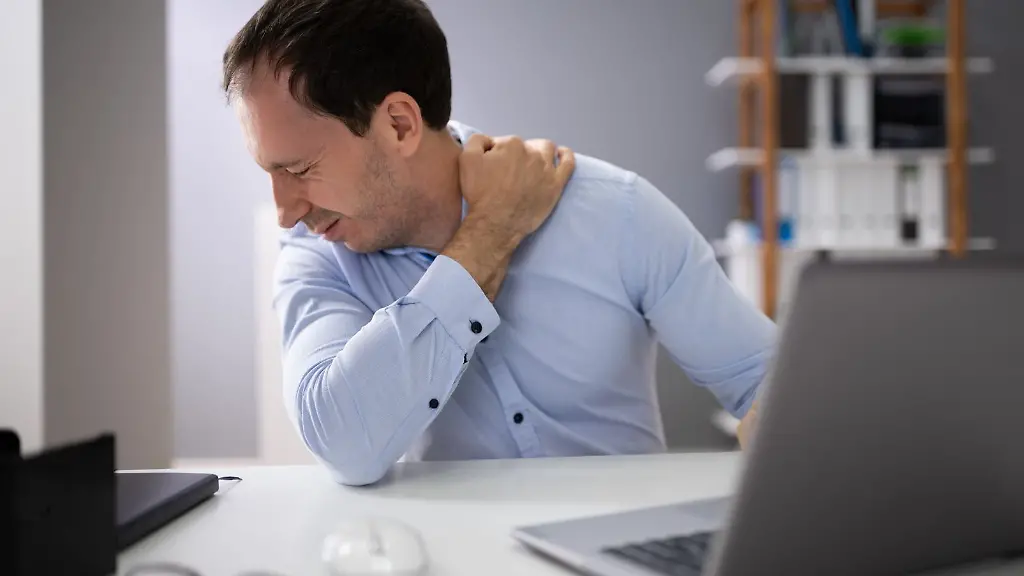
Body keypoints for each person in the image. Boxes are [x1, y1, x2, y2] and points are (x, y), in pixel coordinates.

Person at [222, 0, 777, 486]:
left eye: (299, 169)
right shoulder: (318, 259)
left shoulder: (615, 211)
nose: (284, 214)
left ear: (399, 125)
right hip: (446, 555)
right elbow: (343, 444)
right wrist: (491, 232)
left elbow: (770, 384)